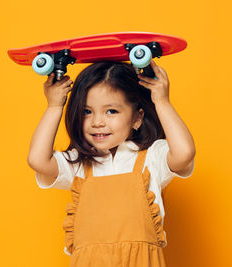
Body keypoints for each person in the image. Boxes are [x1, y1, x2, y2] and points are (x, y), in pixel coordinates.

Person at [27, 59, 196, 267]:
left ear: (137, 118)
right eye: (87, 111)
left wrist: (162, 101)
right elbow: (37, 159)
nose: (98, 122)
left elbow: (184, 153)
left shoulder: (151, 158)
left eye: (111, 111)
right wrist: (54, 106)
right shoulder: (78, 164)